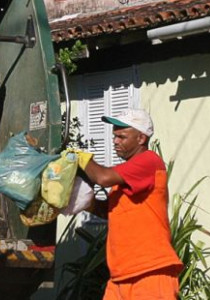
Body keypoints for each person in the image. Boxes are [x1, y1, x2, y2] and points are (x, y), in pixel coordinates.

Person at [77, 109, 183, 299]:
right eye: (114, 136)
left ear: (141, 138)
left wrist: (80, 157)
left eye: (122, 136)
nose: (115, 141)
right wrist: (86, 202)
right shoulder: (126, 175)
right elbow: (113, 211)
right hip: (121, 275)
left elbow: (102, 177)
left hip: (150, 271)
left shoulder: (149, 161)